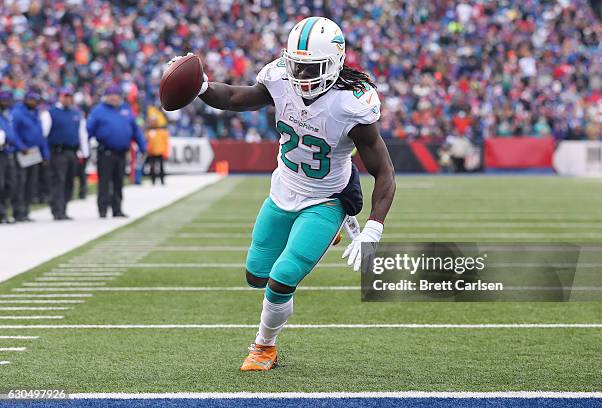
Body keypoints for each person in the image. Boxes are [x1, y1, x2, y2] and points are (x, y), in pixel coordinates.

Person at [172, 17, 395, 371]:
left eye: (311, 68)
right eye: (297, 66)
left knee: (281, 278)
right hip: (283, 189)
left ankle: (264, 348)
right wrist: (200, 86)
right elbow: (232, 96)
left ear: (335, 63)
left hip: (325, 198)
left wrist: (375, 228)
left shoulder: (352, 103)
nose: (303, 76)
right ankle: (329, 231)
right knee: (255, 276)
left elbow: (384, 171)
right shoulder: (280, 77)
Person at [87, 86, 146, 218]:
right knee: (104, 182)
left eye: (116, 95)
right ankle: (103, 210)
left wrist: (142, 145)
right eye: (110, 95)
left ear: (120, 96)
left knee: (119, 182)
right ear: (106, 97)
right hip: (105, 152)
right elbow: (88, 129)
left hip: (121, 152)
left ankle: (117, 209)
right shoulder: (98, 111)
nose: (113, 97)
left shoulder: (126, 109)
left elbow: (135, 129)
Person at [40, 87, 89, 220]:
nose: (67, 99)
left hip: (72, 152)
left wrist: (84, 153)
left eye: (69, 96)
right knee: (58, 181)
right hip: (58, 152)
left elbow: (81, 134)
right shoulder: (50, 113)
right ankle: (57, 209)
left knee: (69, 181)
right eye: (64, 96)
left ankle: (64, 207)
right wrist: (45, 154)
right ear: (59, 97)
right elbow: (44, 135)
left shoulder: (76, 113)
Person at [11, 90, 49, 222]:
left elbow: (40, 135)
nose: (34, 102)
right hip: (23, 152)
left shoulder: (36, 113)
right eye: (32, 99)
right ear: (26, 99)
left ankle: (26, 211)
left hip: (35, 153)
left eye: (36, 100)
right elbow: (13, 133)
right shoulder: (17, 113)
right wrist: (21, 147)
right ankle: (18, 211)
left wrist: (45, 154)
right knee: (20, 182)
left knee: (31, 183)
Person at [0, 90, 26, 224]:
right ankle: (1, 213)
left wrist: (20, 147)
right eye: (3, 100)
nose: (6, 102)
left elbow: (12, 135)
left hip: (8, 153)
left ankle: (4, 212)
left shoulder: (8, 115)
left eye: (7, 100)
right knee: (1, 184)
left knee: (10, 184)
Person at [145, 107, 169, 185]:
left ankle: (162, 180)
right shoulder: (148, 131)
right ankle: (153, 181)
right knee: (152, 167)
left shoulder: (162, 131)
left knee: (161, 167)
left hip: (160, 151)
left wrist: (165, 152)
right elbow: (147, 141)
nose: (152, 123)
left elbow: (166, 143)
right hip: (152, 152)